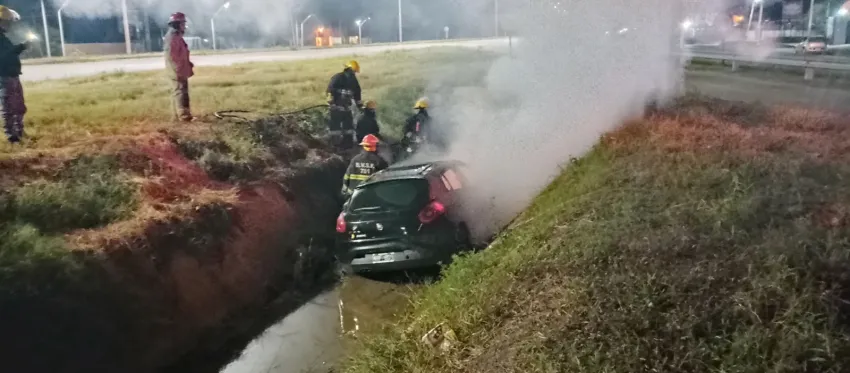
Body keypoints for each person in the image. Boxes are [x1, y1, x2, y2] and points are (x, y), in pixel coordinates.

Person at [0, 6, 28, 144]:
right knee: (9, 107)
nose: (9, 25)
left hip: (12, 75)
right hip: (4, 77)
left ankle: (19, 131)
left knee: (19, 106)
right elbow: (4, 56)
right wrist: (21, 47)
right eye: (7, 22)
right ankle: (12, 136)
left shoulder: (3, 37)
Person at [164, 12, 195, 122]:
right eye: (182, 24)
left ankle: (181, 116)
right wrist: (179, 69)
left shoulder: (176, 36)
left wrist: (188, 64)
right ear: (176, 24)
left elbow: (182, 53)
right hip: (177, 70)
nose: (184, 26)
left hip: (180, 69)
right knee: (180, 92)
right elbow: (173, 56)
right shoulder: (173, 38)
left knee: (181, 91)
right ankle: (184, 117)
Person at [326, 60, 362, 148]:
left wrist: (359, 105)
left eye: (354, 72)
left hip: (347, 107)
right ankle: (335, 144)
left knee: (348, 127)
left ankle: (348, 143)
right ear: (348, 69)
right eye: (353, 71)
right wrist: (331, 102)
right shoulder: (338, 77)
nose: (354, 73)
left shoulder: (353, 80)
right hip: (336, 107)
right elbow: (330, 90)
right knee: (335, 127)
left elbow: (357, 92)